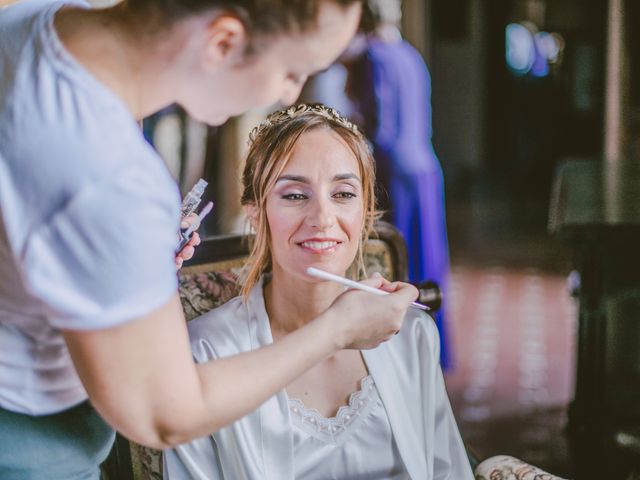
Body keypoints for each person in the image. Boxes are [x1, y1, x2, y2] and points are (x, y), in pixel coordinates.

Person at [0, 1, 421, 478]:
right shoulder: (106, 176)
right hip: (28, 441)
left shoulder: (36, 22)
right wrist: (337, 330)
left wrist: (126, 263)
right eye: (292, 70)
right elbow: (164, 414)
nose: (291, 94)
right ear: (222, 42)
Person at [164, 103, 473, 479]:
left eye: (343, 194)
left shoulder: (411, 335)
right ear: (256, 213)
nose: (322, 219)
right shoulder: (206, 353)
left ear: (366, 212)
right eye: (294, 196)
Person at [342, 0, 454, 369]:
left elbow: (383, 129)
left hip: (395, 171)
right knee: (427, 259)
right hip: (425, 166)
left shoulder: (373, 57)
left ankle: (399, 352)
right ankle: (432, 348)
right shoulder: (410, 54)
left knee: (394, 260)